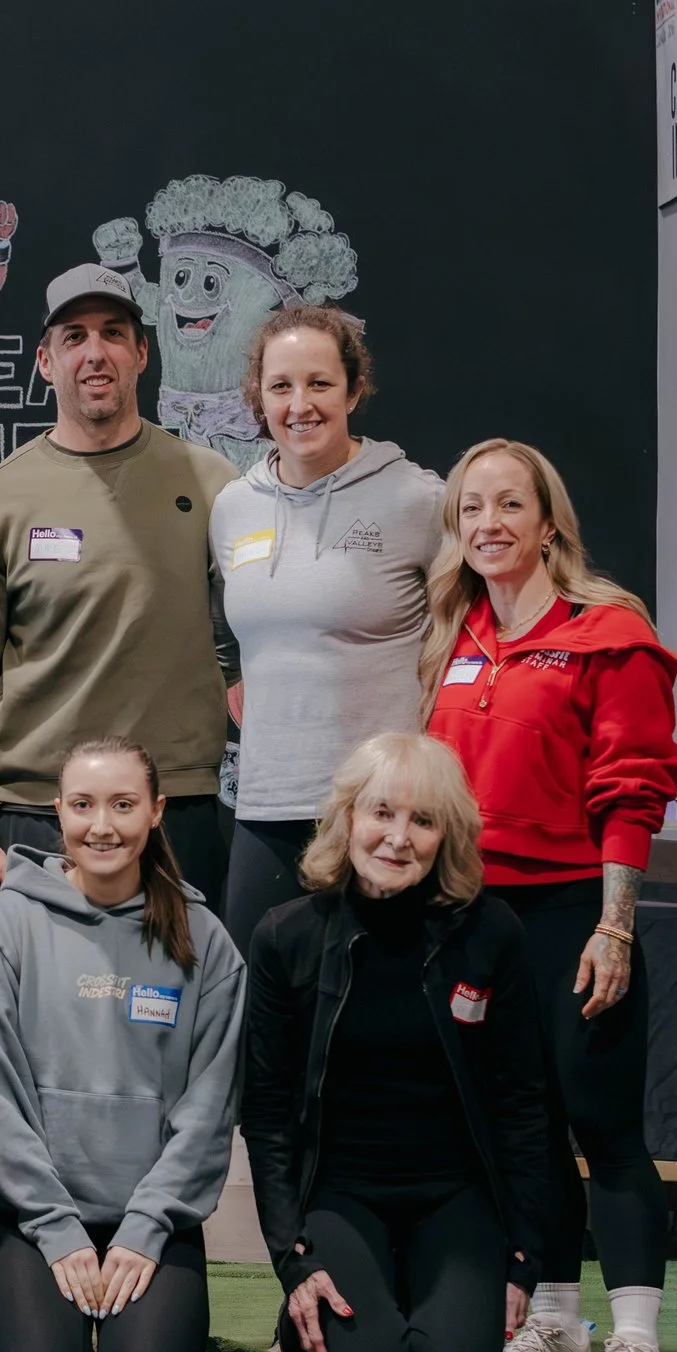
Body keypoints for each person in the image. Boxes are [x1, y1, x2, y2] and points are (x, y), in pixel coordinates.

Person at [422, 439, 677, 1352]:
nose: (487, 523)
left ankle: (637, 1342)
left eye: (508, 505)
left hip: (574, 911)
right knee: (522, 1132)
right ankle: (560, 1326)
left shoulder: (608, 634)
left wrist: (614, 927)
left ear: (547, 524)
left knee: (603, 1126)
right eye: (471, 508)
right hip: (475, 919)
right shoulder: (451, 639)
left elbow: (632, 787)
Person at [239, 732, 549, 1352]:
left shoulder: (492, 933)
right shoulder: (286, 937)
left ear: (447, 836)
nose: (398, 838)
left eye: (423, 820)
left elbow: (524, 1102)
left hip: (454, 1191)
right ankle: (312, 1323)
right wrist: (293, 1260)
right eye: (381, 812)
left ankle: (415, 1295)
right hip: (340, 1193)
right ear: (348, 816)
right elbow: (265, 1111)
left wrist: (524, 1259)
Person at [0, 738, 245, 1352]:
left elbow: (208, 1110)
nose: (103, 826)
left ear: (157, 812)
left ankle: (146, 1344)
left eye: (123, 805)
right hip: (34, 1215)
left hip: (151, 1217)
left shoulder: (204, 940)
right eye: (83, 806)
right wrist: (56, 1229)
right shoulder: (5, 926)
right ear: (58, 812)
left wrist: (148, 1228)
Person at [0, 263, 237, 908]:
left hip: (177, 803)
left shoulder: (213, 485)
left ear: (142, 353)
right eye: (74, 337)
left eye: (113, 333)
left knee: (186, 977)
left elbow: (248, 643)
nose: (95, 353)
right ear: (45, 362)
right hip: (41, 810)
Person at [211, 306, 442, 953]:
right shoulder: (233, 509)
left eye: (319, 383)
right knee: (262, 998)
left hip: (382, 812)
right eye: (281, 386)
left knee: (379, 1000)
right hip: (266, 804)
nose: (300, 404)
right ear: (258, 396)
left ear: (354, 389)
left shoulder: (417, 500)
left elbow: (464, 632)